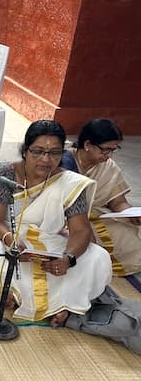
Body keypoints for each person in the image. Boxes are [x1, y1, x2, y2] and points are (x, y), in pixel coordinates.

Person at [0, 120, 112, 325]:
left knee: (98, 256)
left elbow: (81, 230)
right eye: (38, 152)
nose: (46, 159)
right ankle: (51, 300)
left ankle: (51, 300)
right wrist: (11, 240)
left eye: (54, 153)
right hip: (8, 240)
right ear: (25, 150)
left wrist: (68, 258)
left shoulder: (70, 182)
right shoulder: (4, 173)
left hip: (50, 244)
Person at [60, 118, 140, 276]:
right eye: (105, 150)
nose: (109, 156)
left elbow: (118, 202)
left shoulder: (107, 166)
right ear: (87, 145)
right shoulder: (63, 164)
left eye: (113, 150)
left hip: (98, 217)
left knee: (135, 234)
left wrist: (130, 213)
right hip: (68, 222)